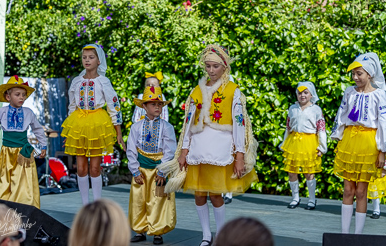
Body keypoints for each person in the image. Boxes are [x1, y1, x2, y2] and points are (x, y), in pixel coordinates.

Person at [159, 44, 259, 246]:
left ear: (224, 67)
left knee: (215, 194)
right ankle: (206, 234)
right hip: (198, 150)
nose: (211, 70)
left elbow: (239, 125)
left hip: (220, 151)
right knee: (199, 194)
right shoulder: (198, 90)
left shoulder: (233, 91)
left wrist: (239, 155)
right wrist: (184, 150)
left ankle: (221, 234)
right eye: (208, 66)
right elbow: (188, 123)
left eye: (215, 66)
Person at [61, 44, 125, 205]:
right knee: (81, 168)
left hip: (97, 124)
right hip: (79, 123)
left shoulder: (103, 81)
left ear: (98, 61)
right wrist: (70, 132)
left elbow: (113, 105)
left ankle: (97, 203)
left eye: (91, 57)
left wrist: (118, 132)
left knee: (95, 168)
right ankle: (85, 204)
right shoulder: (76, 81)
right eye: (84, 57)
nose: (87, 60)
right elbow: (72, 107)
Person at [331, 52, 386, 234]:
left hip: (368, 144)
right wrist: (338, 138)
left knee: (361, 191)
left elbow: (383, 123)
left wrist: (382, 151)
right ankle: (344, 235)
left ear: (369, 74)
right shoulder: (349, 92)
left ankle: (357, 236)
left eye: (359, 73)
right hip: (350, 141)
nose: (355, 77)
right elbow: (341, 114)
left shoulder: (379, 95)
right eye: (353, 74)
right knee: (348, 189)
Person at [127, 86, 176, 245]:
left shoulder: (167, 127)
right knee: (139, 200)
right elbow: (131, 149)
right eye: (153, 104)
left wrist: (162, 171)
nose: (157, 107)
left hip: (158, 170)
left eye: (160, 104)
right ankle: (140, 230)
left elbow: (170, 150)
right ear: (144, 107)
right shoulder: (136, 127)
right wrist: (135, 171)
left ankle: (157, 232)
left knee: (158, 200)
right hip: (141, 170)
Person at [0, 75, 47, 208]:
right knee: (5, 178)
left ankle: (24, 207)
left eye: (23, 95)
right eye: (17, 94)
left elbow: (37, 129)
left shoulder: (28, 113)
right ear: (8, 97)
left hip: (23, 153)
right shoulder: (1, 112)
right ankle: (1, 207)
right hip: (7, 152)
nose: (21, 97)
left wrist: (43, 145)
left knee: (23, 181)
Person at [280, 82, 327, 210]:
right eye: (300, 93)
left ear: (311, 94)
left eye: (306, 93)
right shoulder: (292, 108)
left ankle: (312, 199)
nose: (302, 95)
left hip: (309, 143)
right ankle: (295, 198)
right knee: (292, 172)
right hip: (294, 142)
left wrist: (322, 147)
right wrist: (284, 143)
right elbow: (288, 127)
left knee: (309, 172)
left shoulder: (316, 110)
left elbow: (321, 129)